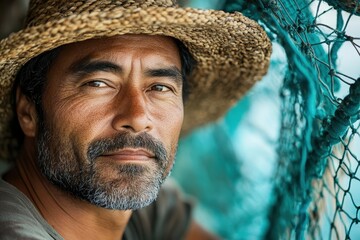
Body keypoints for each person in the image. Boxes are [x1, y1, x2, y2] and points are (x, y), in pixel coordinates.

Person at [0, 0, 271, 239]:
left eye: (160, 87)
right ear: (28, 112)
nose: (138, 118)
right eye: (98, 83)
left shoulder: (138, 205)